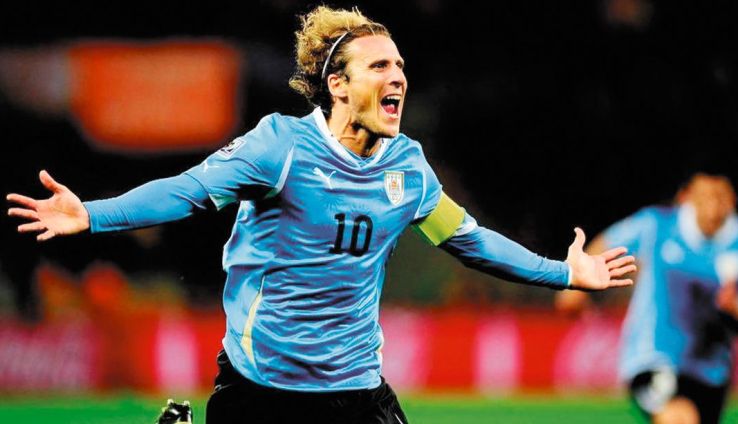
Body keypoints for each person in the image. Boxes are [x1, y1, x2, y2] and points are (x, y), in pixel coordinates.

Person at [7, 6, 636, 424]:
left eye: (401, 66)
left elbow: (468, 239)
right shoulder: (280, 147)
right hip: (263, 391)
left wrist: (563, 272)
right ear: (338, 85)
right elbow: (189, 190)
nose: (398, 77)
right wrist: (92, 214)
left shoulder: (409, 169)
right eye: (380, 65)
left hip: (357, 392)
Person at [556, 172, 738, 424]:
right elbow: (607, 245)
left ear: (732, 200)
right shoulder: (657, 226)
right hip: (652, 356)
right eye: (705, 196)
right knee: (679, 419)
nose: (713, 206)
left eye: (720, 196)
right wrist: (574, 285)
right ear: (686, 198)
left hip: (711, 370)